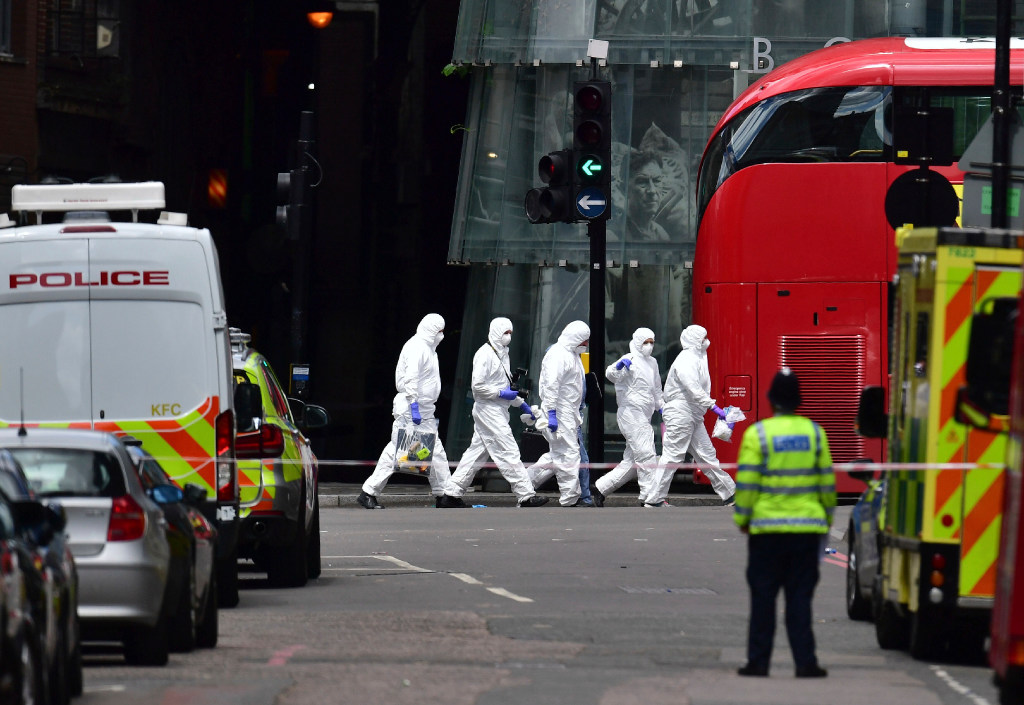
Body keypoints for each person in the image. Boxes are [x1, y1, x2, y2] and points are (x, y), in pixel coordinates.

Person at [734, 368, 836, 678]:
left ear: (771, 400)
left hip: (767, 532)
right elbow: (826, 485)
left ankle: (758, 662)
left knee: (763, 598)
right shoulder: (815, 433)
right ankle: (805, 663)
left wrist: (743, 518)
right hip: (806, 530)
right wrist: (826, 520)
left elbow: (748, 483)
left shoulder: (758, 434)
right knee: (800, 598)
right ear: (798, 401)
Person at [437, 318, 549, 508]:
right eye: (506, 332)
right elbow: (478, 387)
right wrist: (501, 393)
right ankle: (526, 495)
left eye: (511, 333)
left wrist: (521, 404)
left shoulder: (502, 354)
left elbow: (502, 385)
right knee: (509, 450)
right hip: (488, 410)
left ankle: (451, 493)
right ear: (496, 332)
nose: (508, 337)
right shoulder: (485, 354)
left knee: (476, 454)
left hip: (497, 409)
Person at [358, 313, 453, 509]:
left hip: (423, 409)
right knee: (398, 451)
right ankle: (369, 491)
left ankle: (444, 494)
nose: (441, 335)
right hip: (412, 409)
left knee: (434, 451)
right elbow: (411, 379)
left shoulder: (428, 348)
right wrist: (414, 406)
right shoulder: (418, 347)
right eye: (439, 331)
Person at [645, 324, 735, 507]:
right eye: (703, 337)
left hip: (692, 414)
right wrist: (714, 407)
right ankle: (654, 499)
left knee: (707, 455)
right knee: (672, 456)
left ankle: (731, 494)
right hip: (681, 412)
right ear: (695, 340)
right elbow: (693, 387)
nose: (706, 341)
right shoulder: (687, 359)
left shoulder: (697, 358)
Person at [591, 327, 663, 508]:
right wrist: (619, 365)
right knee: (646, 454)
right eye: (645, 342)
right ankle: (649, 498)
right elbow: (611, 374)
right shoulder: (629, 359)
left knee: (632, 463)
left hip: (643, 415)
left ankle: (600, 488)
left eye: (651, 342)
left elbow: (656, 389)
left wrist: (662, 408)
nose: (649, 346)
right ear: (638, 342)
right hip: (631, 414)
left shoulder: (652, 363)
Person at [525, 320, 589, 507]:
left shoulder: (572, 354)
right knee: (569, 454)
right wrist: (552, 413)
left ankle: (524, 484)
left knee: (557, 456)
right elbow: (551, 386)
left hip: (567, 413)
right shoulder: (558, 355)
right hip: (560, 413)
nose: (585, 344)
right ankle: (570, 498)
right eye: (584, 340)